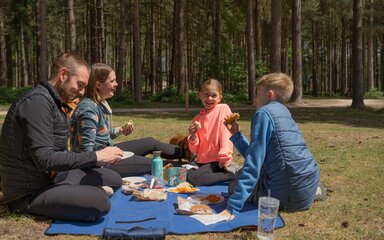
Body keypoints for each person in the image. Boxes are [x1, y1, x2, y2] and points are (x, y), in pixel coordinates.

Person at [0, 53, 125, 222]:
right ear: (63, 74)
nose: (81, 92)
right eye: (79, 85)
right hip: (30, 191)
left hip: (55, 177)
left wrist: (93, 159)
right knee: (100, 202)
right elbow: (44, 159)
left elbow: (59, 153)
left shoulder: (56, 103)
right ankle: (50, 200)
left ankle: (73, 191)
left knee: (114, 179)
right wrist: (96, 156)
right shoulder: (37, 102)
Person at [220, 73, 320, 220]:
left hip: (287, 195)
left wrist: (233, 206)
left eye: (258, 93)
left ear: (269, 94)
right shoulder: (284, 112)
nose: (255, 99)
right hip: (309, 183)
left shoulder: (263, 113)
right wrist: (236, 135)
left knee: (234, 184)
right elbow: (260, 156)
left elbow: (253, 164)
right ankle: (312, 191)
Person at [70, 63, 183, 177]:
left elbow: (99, 136)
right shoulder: (88, 109)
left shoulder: (97, 104)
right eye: (112, 81)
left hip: (107, 150)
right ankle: (192, 169)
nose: (116, 84)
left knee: (150, 142)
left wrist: (119, 130)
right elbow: (87, 153)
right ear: (98, 84)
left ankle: (189, 152)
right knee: (156, 164)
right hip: (100, 163)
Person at [186, 79, 237, 186]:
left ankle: (231, 175)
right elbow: (194, 149)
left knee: (192, 179)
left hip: (217, 161)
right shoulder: (197, 118)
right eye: (206, 95)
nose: (209, 98)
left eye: (214, 95)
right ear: (200, 95)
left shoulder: (223, 109)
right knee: (184, 174)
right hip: (201, 162)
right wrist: (193, 135)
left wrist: (224, 158)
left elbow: (226, 134)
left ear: (220, 98)